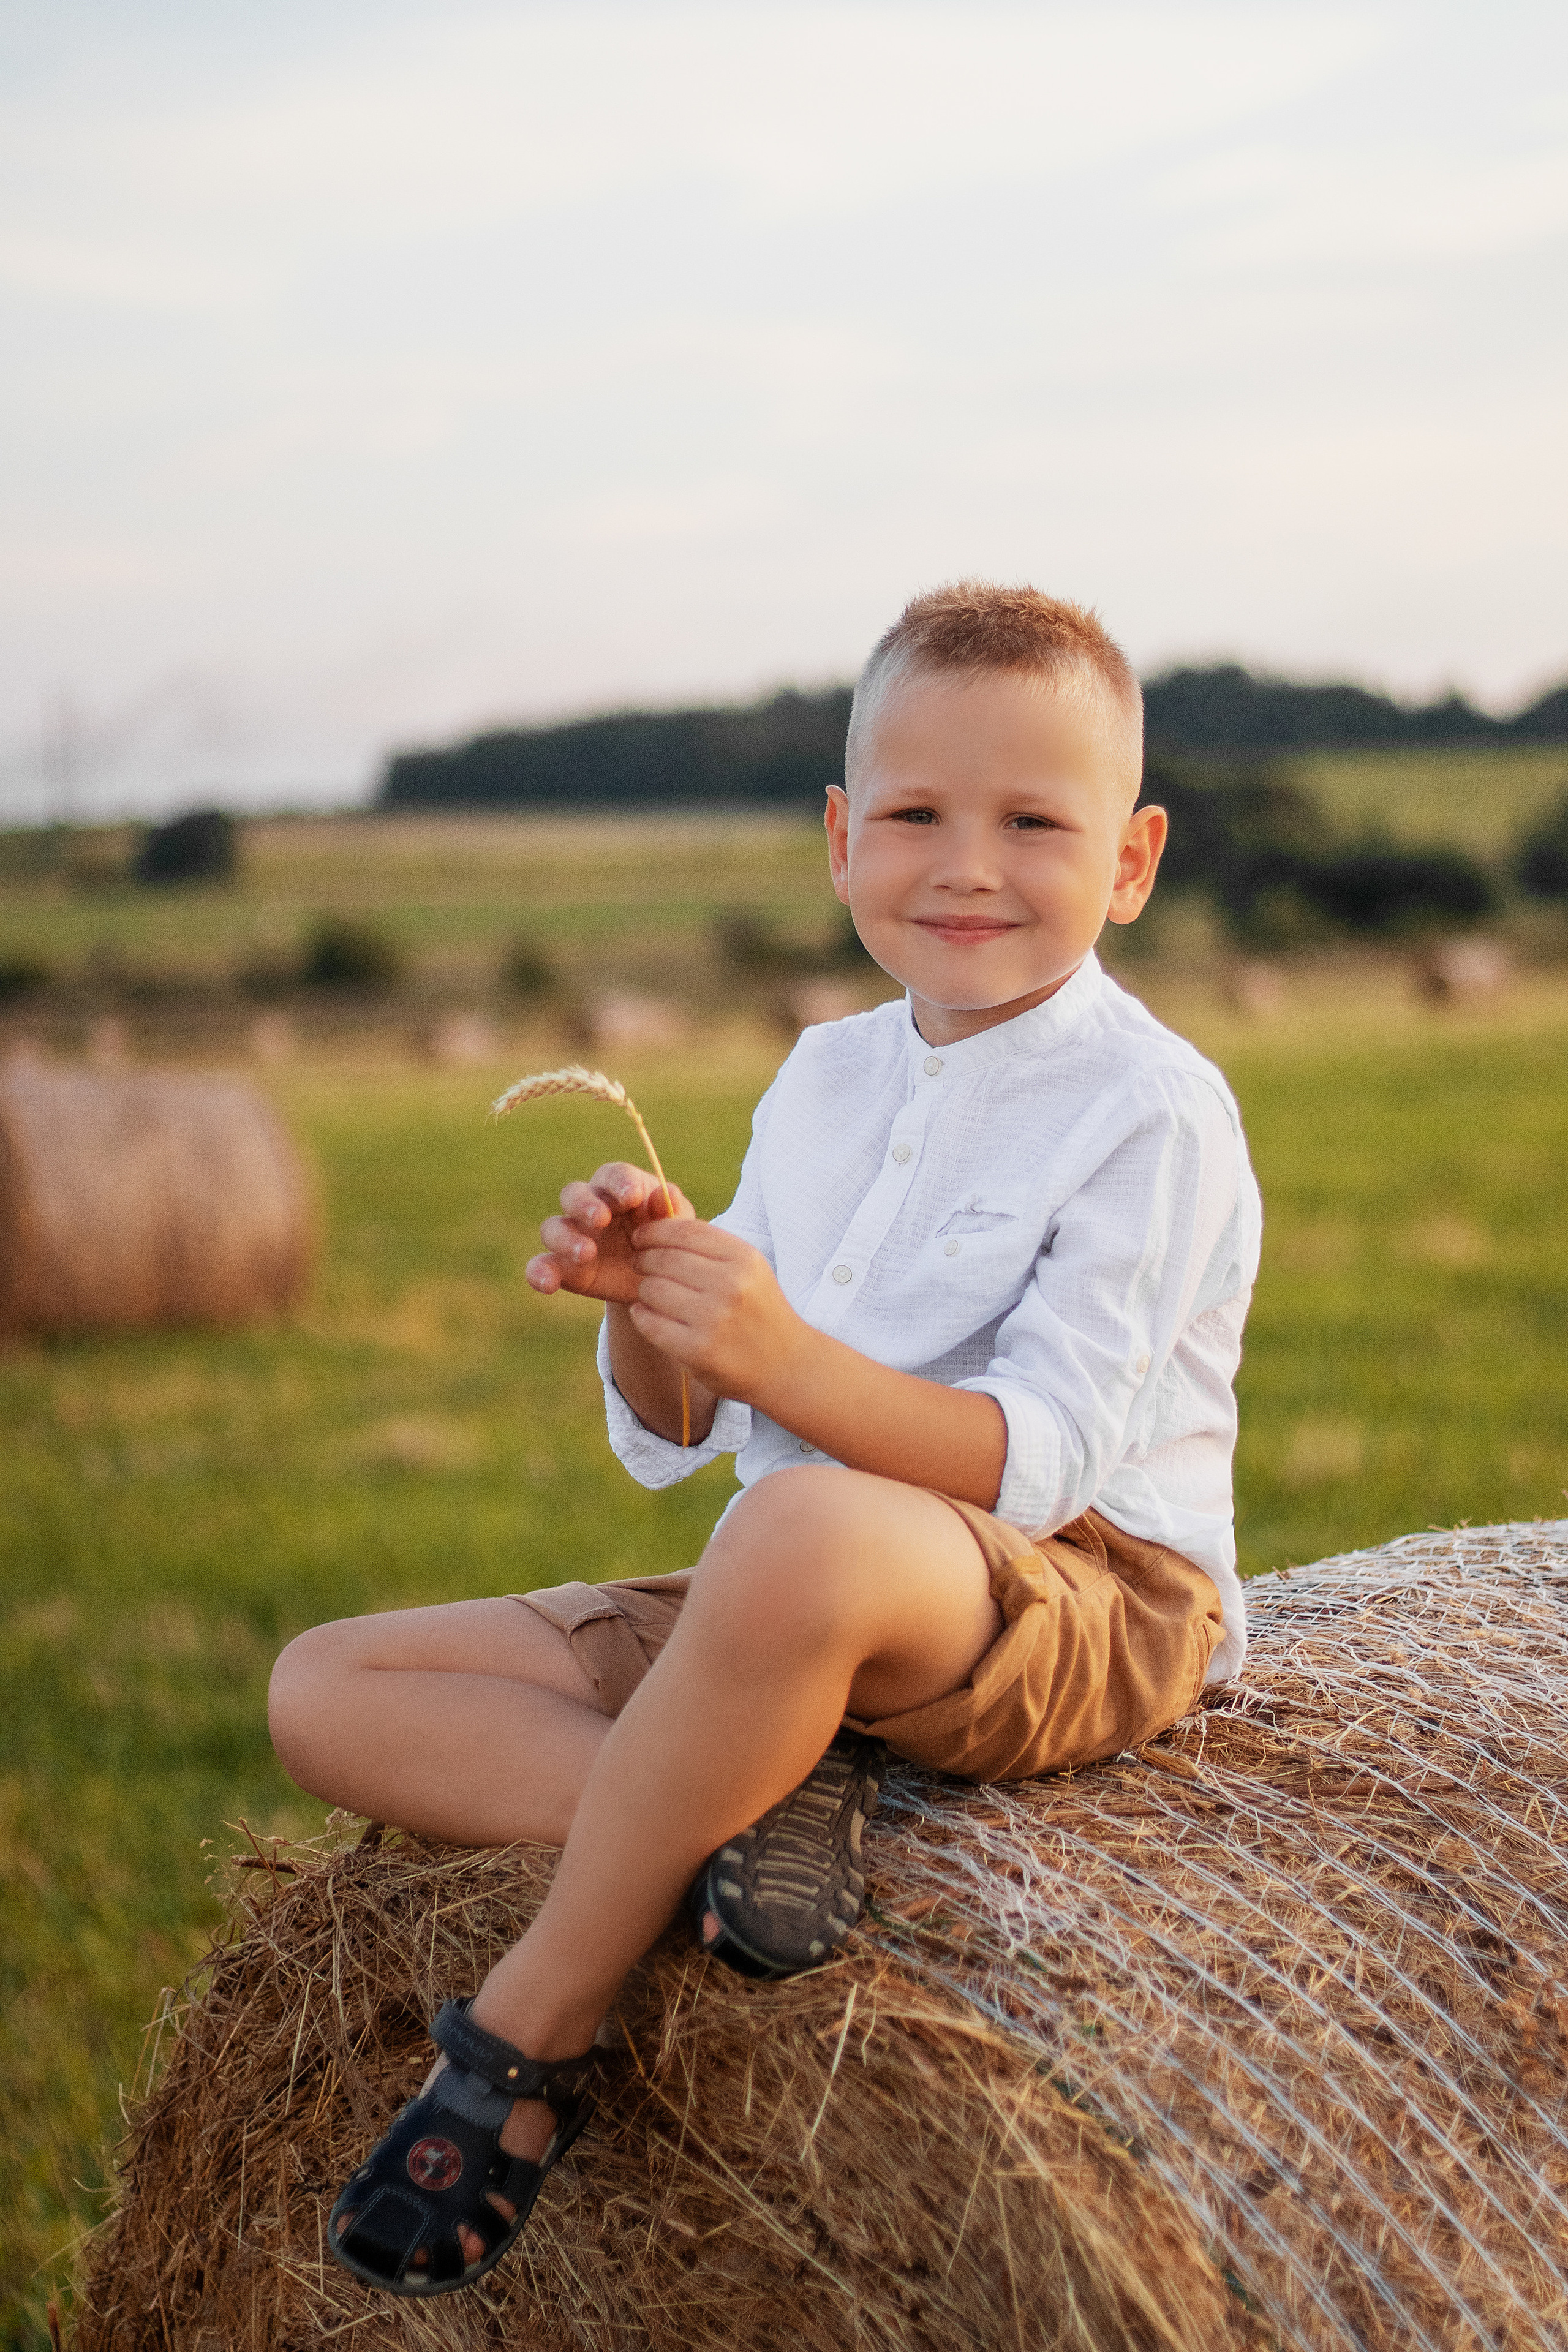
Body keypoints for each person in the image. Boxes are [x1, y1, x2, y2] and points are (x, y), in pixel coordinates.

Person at [268, 581, 1262, 2299]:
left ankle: (529, 2030)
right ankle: (744, 1813)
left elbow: (1038, 1462)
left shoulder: (1150, 1109)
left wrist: (785, 1356)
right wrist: (647, 1305)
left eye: (1033, 823)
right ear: (840, 838)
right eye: (916, 815)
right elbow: (687, 1429)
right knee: (325, 1687)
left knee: (793, 1534)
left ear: (1132, 860)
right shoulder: (823, 1079)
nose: (967, 866)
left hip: (1075, 1595)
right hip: (797, 1591)